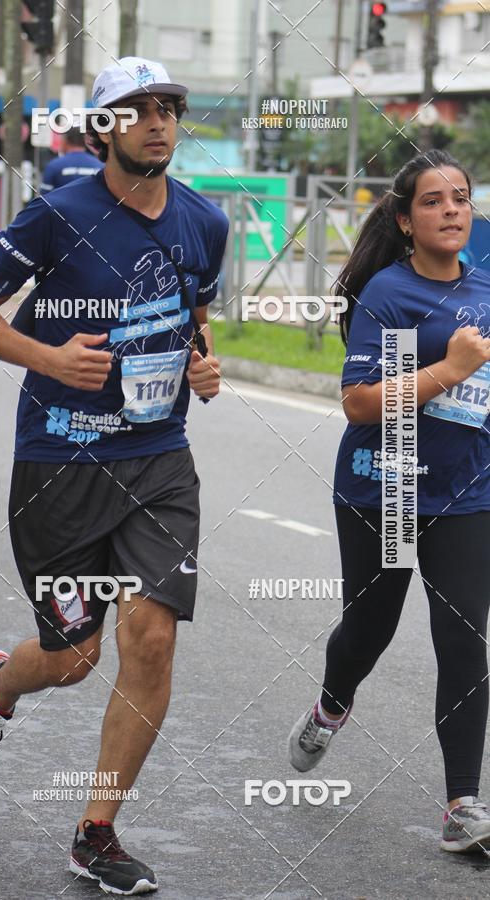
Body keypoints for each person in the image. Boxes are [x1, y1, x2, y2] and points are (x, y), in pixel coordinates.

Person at [0, 56, 228, 895]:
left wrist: (206, 369)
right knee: (71, 660)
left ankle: (96, 830)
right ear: (102, 127)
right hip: (59, 463)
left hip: (158, 460)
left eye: (169, 107)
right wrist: (48, 358)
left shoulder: (203, 223)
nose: (158, 121)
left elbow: (196, 324)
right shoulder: (54, 216)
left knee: (151, 636)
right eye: (135, 110)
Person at [288, 149, 490, 854]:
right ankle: (331, 704)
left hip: (467, 493)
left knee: (464, 640)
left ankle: (463, 804)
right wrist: (449, 369)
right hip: (387, 488)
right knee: (368, 631)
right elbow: (359, 403)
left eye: (460, 198)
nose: (452, 211)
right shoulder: (389, 295)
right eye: (433, 202)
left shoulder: (488, 283)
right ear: (405, 221)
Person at [39, 125, 103, 195]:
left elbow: (44, 198)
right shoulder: (100, 166)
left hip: (60, 206)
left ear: (65, 141)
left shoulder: (54, 166)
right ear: (85, 141)